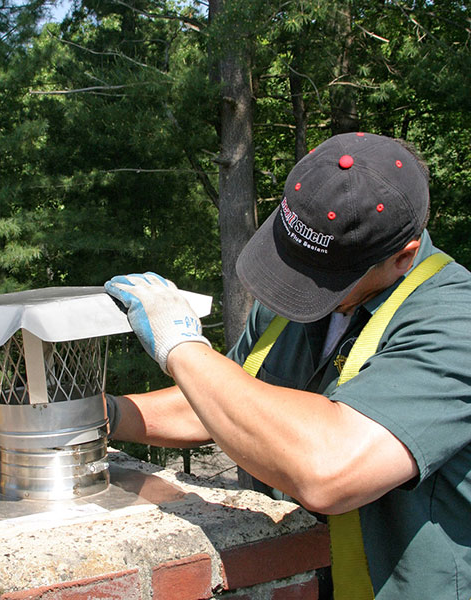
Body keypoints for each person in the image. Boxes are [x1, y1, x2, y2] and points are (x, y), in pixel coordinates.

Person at [104, 132, 471, 599]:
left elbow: (328, 469)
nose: (298, 289)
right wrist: (100, 416)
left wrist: (182, 348)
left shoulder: (456, 323)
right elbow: (224, 404)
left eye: (323, 281)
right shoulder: (294, 302)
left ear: (404, 257)